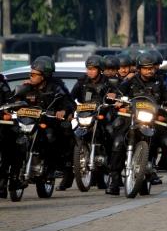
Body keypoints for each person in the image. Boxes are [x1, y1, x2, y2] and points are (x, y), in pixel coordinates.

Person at [111, 52, 167, 195]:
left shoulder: (161, 81)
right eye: (145, 68)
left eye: (151, 68)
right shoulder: (131, 81)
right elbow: (118, 91)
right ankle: (113, 179)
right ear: (139, 68)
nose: (149, 71)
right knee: (118, 141)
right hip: (132, 117)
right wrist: (117, 99)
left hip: (154, 119)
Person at [9, 57, 74, 194]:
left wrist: (63, 111)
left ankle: (51, 169)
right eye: (30, 74)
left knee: (51, 137)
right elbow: (13, 100)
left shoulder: (56, 87)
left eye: (34, 74)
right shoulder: (27, 87)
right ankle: (13, 175)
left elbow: (68, 103)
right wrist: (14, 104)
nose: (30, 77)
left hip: (48, 122)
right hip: (28, 122)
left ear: (44, 76)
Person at [66, 55, 119, 190]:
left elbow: (118, 94)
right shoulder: (82, 81)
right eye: (88, 69)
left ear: (100, 69)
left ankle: (113, 172)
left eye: (93, 69)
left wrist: (115, 98)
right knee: (73, 137)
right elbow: (71, 98)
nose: (90, 71)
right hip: (86, 115)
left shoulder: (109, 81)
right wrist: (70, 110)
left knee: (111, 134)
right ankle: (68, 176)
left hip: (104, 115)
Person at [0, 71, 16, 199]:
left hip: (1, 123)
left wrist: (7, 112)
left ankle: (4, 184)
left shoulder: (2, 84)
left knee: (8, 149)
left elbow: (9, 102)